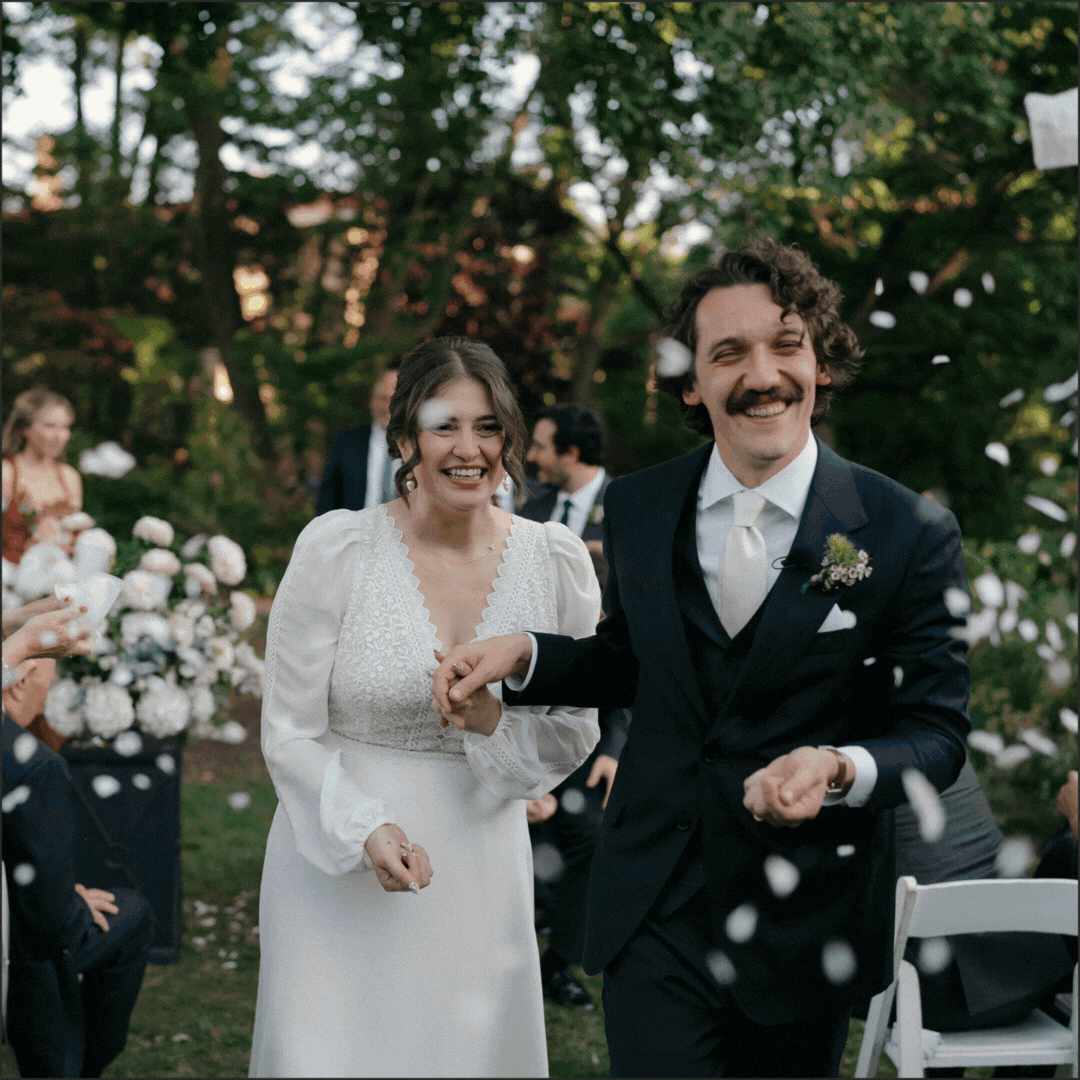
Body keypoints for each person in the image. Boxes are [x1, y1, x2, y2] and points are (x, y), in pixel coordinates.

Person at [434, 240, 971, 1078]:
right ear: (692, 382)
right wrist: (528, 655)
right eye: (728, 353)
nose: (762, 375)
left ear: (822, 363)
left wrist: (838, 768)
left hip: (805, 924)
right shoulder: (640, 505)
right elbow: (637, 659)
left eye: (786, 345)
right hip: (656, 901)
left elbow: (936, 735)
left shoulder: (908, 531)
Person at [249, 337, 602, 1077]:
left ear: (509, 440)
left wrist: (493, 723)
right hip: (335, 859)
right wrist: (363, 828)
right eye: (445, 426)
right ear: (405, 437)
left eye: (488, 427)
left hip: (480, 866)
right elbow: (287, 731)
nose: (468, 449)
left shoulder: (556, 561)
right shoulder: (338, 549)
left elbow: (575, 731)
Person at [4, 601, 155, 1079]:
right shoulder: (32, 768)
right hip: (17, 956)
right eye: (46, 684)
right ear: (20, 683)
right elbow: (52, 924)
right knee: (130, 915)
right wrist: (70, 903)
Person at [521, 404, 631, 1009]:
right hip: (519, 705)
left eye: (541, 446)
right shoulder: (528, 509)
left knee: (588, 832)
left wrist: (615, 746)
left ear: (571, 452)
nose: (531, 456)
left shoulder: (629, 512)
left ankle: (557, 963)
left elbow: (640, 641)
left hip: (597, 719)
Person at [2, 387, 84, 752]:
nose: (59, 435)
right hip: (13, 593)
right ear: (24, 428)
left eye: (65, 427)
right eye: (49, 426)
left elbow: (77, 537)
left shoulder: (69, 477)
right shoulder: (7, 472)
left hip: (58, 590)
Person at [314, 366, 399, 514]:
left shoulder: (421, 445)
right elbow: (327, 500)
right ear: (371, 400)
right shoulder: (347, 443)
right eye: (382, 398)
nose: (388, 407)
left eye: (395, 399)